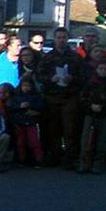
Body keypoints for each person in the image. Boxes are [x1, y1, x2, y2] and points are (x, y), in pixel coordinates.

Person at [38, 27, 84, 168]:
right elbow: (39, 75)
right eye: (58, 38)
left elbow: (83, 76)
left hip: (70, 97)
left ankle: (70, 158)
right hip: (52, 97)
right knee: (53, 129)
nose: (61, 40)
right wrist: (50, 78)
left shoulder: (75, 57)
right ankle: (54, 156)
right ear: (55, 39)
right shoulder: (47, 57)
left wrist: (73, 78)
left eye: (64, 37)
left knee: (70, 129)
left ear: (67, 39)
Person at [10, 78, 44, 167]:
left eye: (28, 86)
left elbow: (41, 107)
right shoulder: (17, 97)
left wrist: (31, 106)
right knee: (20, 142)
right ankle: (22, 159)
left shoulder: (36, 96)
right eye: (24, 86)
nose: (26, 88)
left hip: (31, 122)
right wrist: (19, 106)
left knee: (34, 141)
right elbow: (12, 108)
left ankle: (38, 159)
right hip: (20, 123)